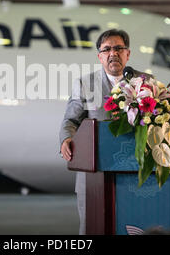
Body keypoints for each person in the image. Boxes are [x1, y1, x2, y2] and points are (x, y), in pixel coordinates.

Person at [58, 28, 151, 235]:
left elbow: (156, 119)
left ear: (128, 54)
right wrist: (66, 138)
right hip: (94, 174)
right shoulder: (84, 84)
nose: (113, 53)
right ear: (100, 56)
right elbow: (71, 120)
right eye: (107, 49)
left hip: (133, 172)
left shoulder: (145, 82)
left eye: (119, 48)